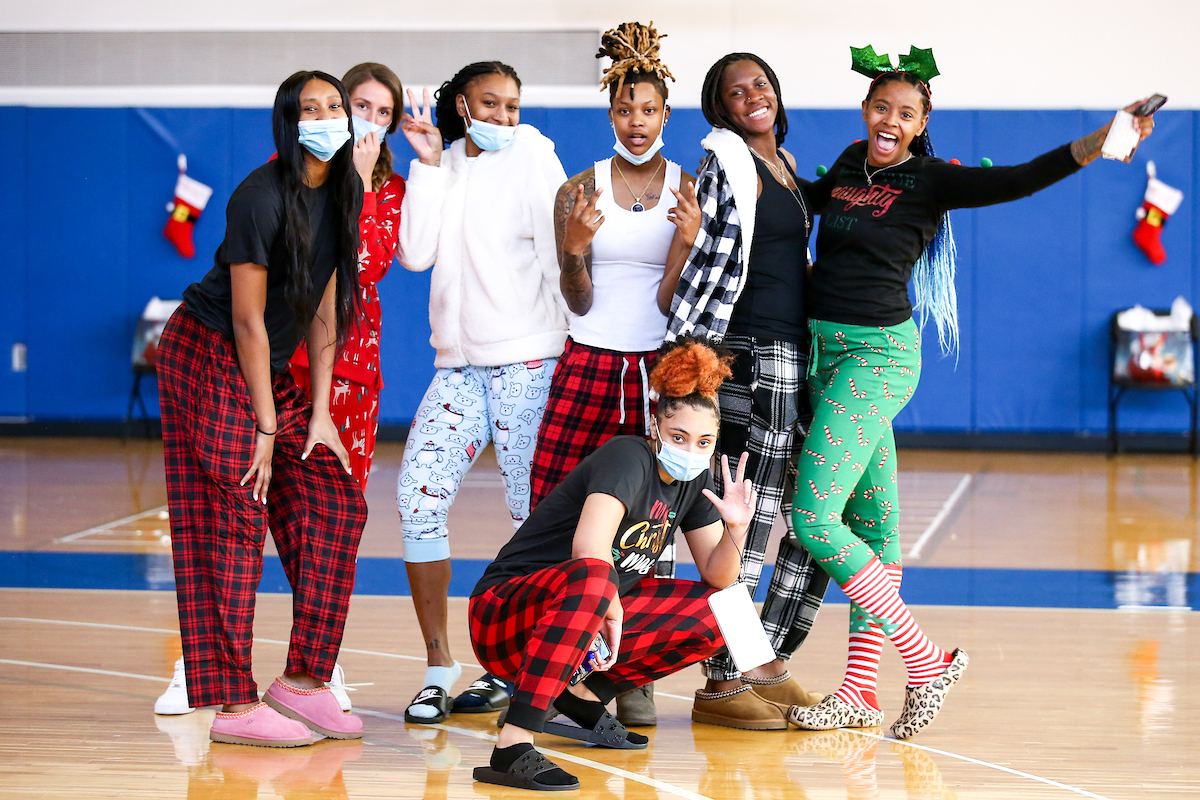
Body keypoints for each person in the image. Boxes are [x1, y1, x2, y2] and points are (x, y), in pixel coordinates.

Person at [786, 46, 1156, 739]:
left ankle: (925, 661)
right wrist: (760, 166)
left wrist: (1101, 140)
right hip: (824, 355)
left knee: (813, 519)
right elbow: (805, 201)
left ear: (922, 122)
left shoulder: (932, 180)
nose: (890, 121)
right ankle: (860, 693)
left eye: (905, 113)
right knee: (874, 530)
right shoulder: (848, 162)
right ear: (865, 110)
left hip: (876, 357)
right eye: (881, 107)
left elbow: (1021, 178)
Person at [154, 62, 407, 719]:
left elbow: (326, 310)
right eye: (310, 109)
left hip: (268, 364)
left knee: (336, 502)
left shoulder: (346, 193)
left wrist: (319, 413)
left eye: (334, 108)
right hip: (208, 351)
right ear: (288, 124)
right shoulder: (258, 197)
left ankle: (304, 681)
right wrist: (265, 428)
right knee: (235, 509)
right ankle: (232, 703)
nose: (326, 119)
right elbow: (247, 323)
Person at [468, 339, 751, 791]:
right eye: (678, 437)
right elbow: (589, 548)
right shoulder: (628, 456)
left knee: (729, 610)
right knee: (598, 577)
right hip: (504, 615)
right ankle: (512, 746)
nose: (690, 450)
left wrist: (736, 528)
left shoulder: (694, 479)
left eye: (703, 442)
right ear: (656, 426)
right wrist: (610, 609)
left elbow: (719, 578)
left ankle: (581, 698)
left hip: (582, 618)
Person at [530, 20, 700, 726]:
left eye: (648, 110)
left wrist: (685, 244)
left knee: (650, 521)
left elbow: (668, 303)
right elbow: (577, 299)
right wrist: (574, 249)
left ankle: (632, 674)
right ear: (610, 114)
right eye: (625, 109)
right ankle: (551, 657)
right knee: (557, 505)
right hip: (589, 361)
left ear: (666, 113)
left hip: (657, 370)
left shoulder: (687, 188)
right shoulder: (579, 189)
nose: (637, 121)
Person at [394, 61, 569, 723]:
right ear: (461, 105)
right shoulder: (442, 165)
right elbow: (414, 254)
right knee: (417, 496)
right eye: (489, 103)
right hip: (458, 368)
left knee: (533, 517)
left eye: (512, 106)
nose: (502, 116)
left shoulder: (534, 157)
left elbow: (559, 257)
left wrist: (571, 351)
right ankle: (439, 666)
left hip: (530, 361)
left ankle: (522, 668)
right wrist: (426, 167)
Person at [665, 53, 827, 729]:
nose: (752, 95)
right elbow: (709, 264)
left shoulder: (782, 164)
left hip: (794, 355)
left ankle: (764, 659)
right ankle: (723, 678)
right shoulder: (727, 163)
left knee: (815, 516)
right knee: (748, 521)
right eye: (737, 91)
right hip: (753, 354)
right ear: (721, 109)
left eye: (760, 83)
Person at [290, 62, 407, 489]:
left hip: (351, 357)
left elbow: (368, 266)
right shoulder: (292, 168)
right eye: (361, 106)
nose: (371, 120)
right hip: (286, 350)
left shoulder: (390, 188)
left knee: (342, 493)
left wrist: (362, 182)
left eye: (383, 112)